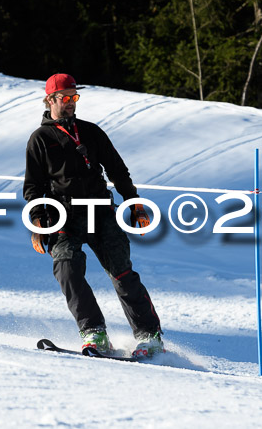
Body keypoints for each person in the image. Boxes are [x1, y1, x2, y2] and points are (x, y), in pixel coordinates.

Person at [23, 73, 164, 358]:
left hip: (100, 210)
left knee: (122, 273)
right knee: (67, 270)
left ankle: (150, 335)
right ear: (50, 99)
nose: (72, 103)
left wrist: (133, 202)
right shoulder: (40, 139)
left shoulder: (91, 131)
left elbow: (117, 170)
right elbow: (33, 186)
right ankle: (94, 332)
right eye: (66, 98)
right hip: (63, 216)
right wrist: (37, 222)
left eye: (75, 97)